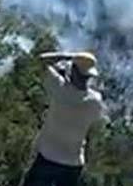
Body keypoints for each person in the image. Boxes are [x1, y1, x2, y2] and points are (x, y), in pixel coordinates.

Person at [22, 51, 106, 186]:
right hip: (74, 163)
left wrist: (69, 55)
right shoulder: (95, 101)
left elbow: (41, 59)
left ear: (73, 70)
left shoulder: (58, 88)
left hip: (48, 157)